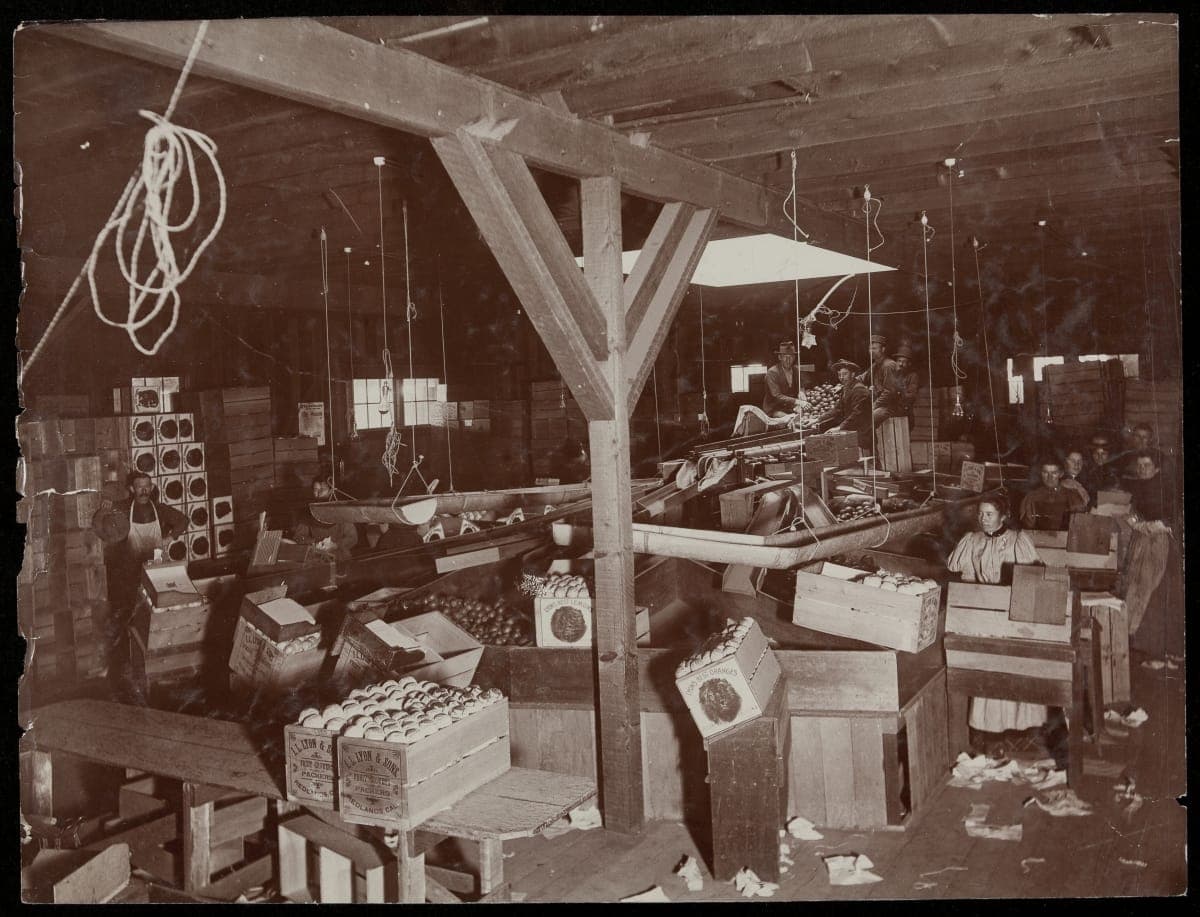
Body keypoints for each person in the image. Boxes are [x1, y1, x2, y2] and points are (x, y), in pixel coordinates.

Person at [947, 494, 1047, 746]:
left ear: (1003, 516)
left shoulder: (1017, 541)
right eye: (980, 514)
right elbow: (967, 576)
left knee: (1014, 666)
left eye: (989, 514)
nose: (983, 519)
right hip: (985, 613)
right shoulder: (972, 540)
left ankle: (1021, 727)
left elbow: (1034, 579)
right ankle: (989, 727)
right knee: (989, 668)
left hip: (1014, 613)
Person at [91, 470, 189, 697]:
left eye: (147, 486)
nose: (144, 490)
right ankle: (121, 670)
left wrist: (169, 538)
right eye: (139, 487)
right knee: (125, 621)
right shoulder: (124, 508)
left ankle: (148, 666)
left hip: (153, 575)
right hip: (128, 577)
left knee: (150, 623)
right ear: (132, 489)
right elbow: (101, 526)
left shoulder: (160, 509)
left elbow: (183, 521)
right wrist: (104, 509)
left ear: (151, 487)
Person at [1120, 449, 1183, 660]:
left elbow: (1165, 522)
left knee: (1151, 592)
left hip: (1160, 546)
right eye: (1139, 466)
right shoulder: (1142, 486)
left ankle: (1158, 652)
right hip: (1144, 543)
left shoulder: (1163, 488)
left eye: (1147, 465)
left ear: (1156, 468)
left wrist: (1139, 524)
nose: (1142, 469)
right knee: (1137, 587)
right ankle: (1141, 644)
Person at [291, 475, 358, 561]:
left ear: (331, 491)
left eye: (322, 490)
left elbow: (353, 538)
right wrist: (315, 543)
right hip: (317, 557)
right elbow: (298, 537)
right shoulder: (308, 513)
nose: (318, 494)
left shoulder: (341, 511)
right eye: (316, 490)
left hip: (340, 557)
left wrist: (336, 545)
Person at [819, 358, 873, 451]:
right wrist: (817, 419)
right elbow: (837, 409)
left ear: (852, 374)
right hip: (852, 431)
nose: (841, 377)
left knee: (867, 461)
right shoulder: (846, 388)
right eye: (839, 374)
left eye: (845, 374)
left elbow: (857, 414)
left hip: (863, 434)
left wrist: (839, 427)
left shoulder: (859, 390)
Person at [1019, 459, 1087, 530]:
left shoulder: (1072, 496)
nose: (1049, 477)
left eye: (1054, 473)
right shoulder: (1032, 497)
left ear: (1061, 474)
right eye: (1045, 472)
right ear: (1040, 473)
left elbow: (1080, 526)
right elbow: (1027, 526)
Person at [856, 333, 902, 427]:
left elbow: (889, 392)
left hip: (891, 406)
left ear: (883, 349)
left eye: (874, 348)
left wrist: (874, 405)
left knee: (866, 420)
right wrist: (848, 382)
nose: (871, 351)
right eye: (870, 348)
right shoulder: (875, 365)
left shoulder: (888, 365)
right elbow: (862, 377)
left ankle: (870, 441)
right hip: (880, 405)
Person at [763, 339, 807, 418]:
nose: (788, 360)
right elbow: (777, 396)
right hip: (774, 409)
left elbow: (801, 385)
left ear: (794, 357)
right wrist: (797, 401)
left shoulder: (796, 370)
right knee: (790, 420)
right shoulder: (772, 372)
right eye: (785, 357)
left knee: (801, 417)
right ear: (780, 357)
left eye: (791, 356)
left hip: (789, 407)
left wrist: (802, 392)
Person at [1078, 433, 1122, 499]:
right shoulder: (1084, 470)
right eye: (1096, 453)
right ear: (1091, 454)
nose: (1100, 457)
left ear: (1109, 454)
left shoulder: (1114, 471)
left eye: (1103, 454)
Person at [891, 343, 921, 420]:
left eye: (904, 362)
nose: (901, 364)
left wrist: (897, 392)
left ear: (909, 363)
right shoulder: (891, 374)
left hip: (904, 415)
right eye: (899, 361)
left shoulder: (913, 376)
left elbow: (911, 396)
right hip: (888, 414)